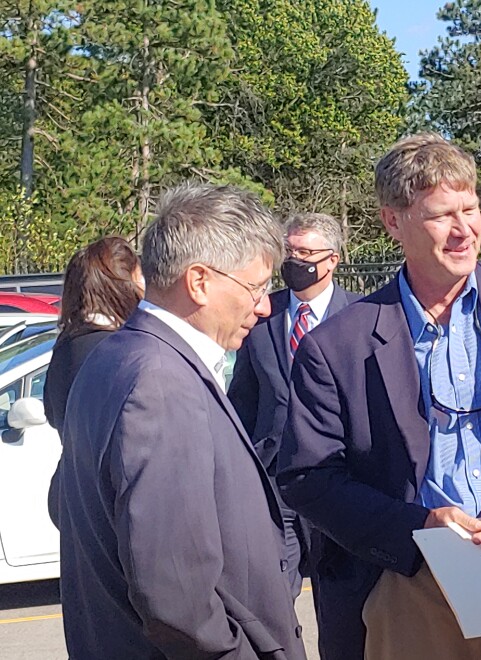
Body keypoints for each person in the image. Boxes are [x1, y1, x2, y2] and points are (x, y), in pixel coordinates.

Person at [276, 133, 481, 660]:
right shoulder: (337, 343)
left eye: (470, 209)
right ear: (393, 222)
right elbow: (308, 477)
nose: (464, 229)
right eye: (442, 215)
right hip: (410, 583)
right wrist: (420, 525)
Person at [57, 183, 307, 660]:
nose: (265, 306)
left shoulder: (115, 357)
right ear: (198, 282)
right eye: (255, 287)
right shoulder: (159, 382)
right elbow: (175, 593)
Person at [228, 211, 360, 599]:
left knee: (338, 599)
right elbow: (243, 398)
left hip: (338, 478)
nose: (294, 261)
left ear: (332, 259)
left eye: (305, 252)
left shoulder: (359, 316)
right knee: (274, 595)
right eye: (289, 250)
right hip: (276, 479)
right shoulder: (263, 315)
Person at [44, 236, 144, 528]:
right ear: (124, 286)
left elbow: (52, 414)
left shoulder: (66, 346)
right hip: (111, 504)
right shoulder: (119, 350)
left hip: (72, 495)